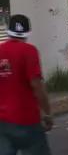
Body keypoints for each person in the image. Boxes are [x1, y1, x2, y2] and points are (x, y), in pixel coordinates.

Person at [0, 15, 53, 155]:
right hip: (27, 120)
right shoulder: (29, 51)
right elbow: (37, 86)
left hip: (3, 121)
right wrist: (47, 113)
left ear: (8, 30)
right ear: (28, 31)